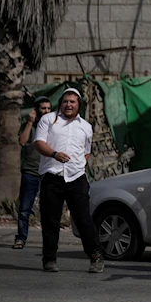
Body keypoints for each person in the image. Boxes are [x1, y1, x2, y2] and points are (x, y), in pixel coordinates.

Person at [34, 88, 104, 273]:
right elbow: (39, 143)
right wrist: (54, 154)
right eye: (65, 101)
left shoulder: (86, 127)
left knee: (84, 219)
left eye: (72, 102)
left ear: (79, 104)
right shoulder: (48, 120)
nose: (68, 105)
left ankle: (95, 256)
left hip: (76, 178)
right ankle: (49, 259)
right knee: (51, 220)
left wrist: (77, 166)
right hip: (52, 176)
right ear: (61, 103)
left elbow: (86, 152)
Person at [12, 96, 52, 249]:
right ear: (36, 110)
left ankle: (48, 242)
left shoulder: (53, 126)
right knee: (25, 209)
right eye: (43, 108)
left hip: (48, 172)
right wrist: (29, 122)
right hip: (31, 172)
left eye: (49, 108)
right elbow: (22, 141)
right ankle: (21, 238)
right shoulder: (30, 125)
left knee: (48, 210)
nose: (46, 111)